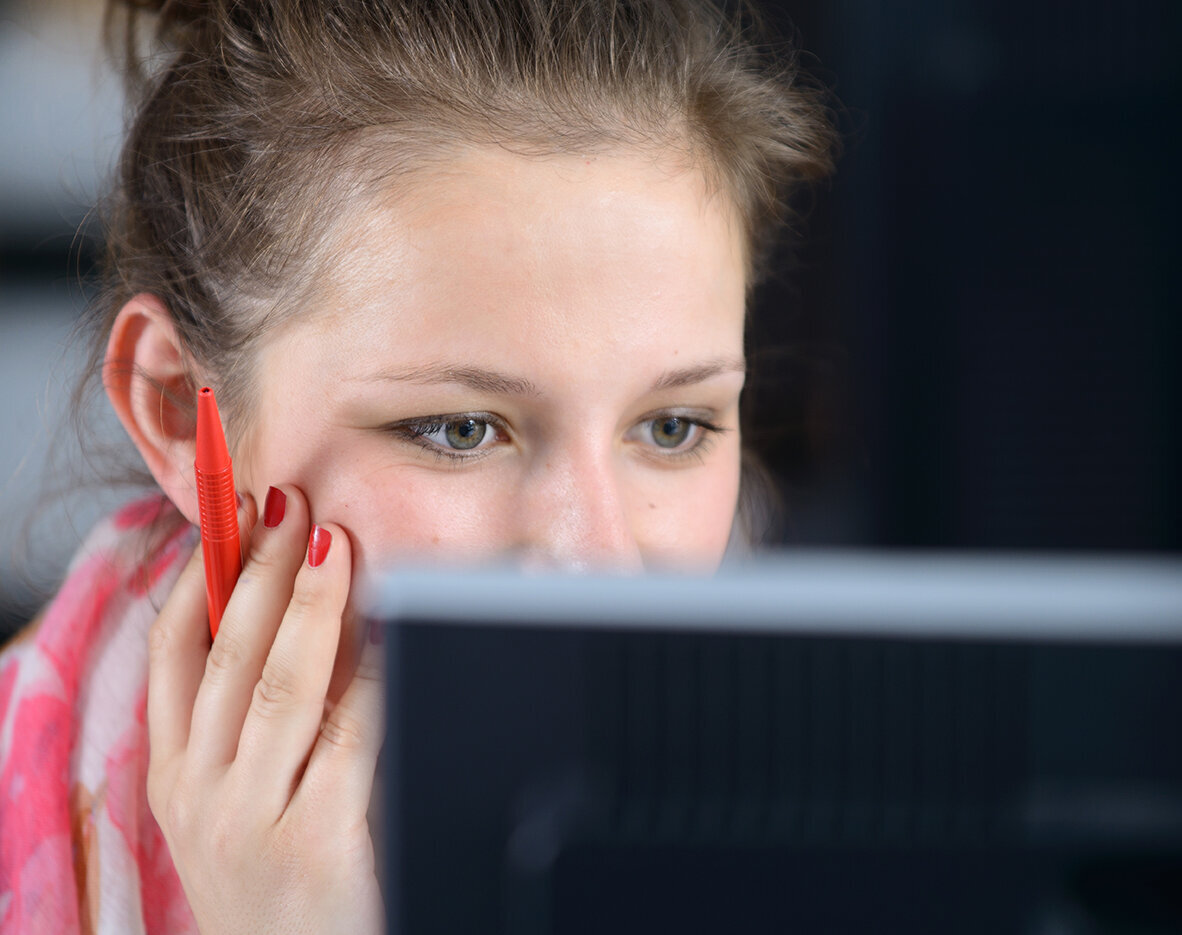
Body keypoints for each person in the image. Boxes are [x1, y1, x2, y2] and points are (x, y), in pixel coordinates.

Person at [0, 0, 834, 931]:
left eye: (673, 427)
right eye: (461, 430)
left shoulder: (838, 832)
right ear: (179, 414)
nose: (600, 562)